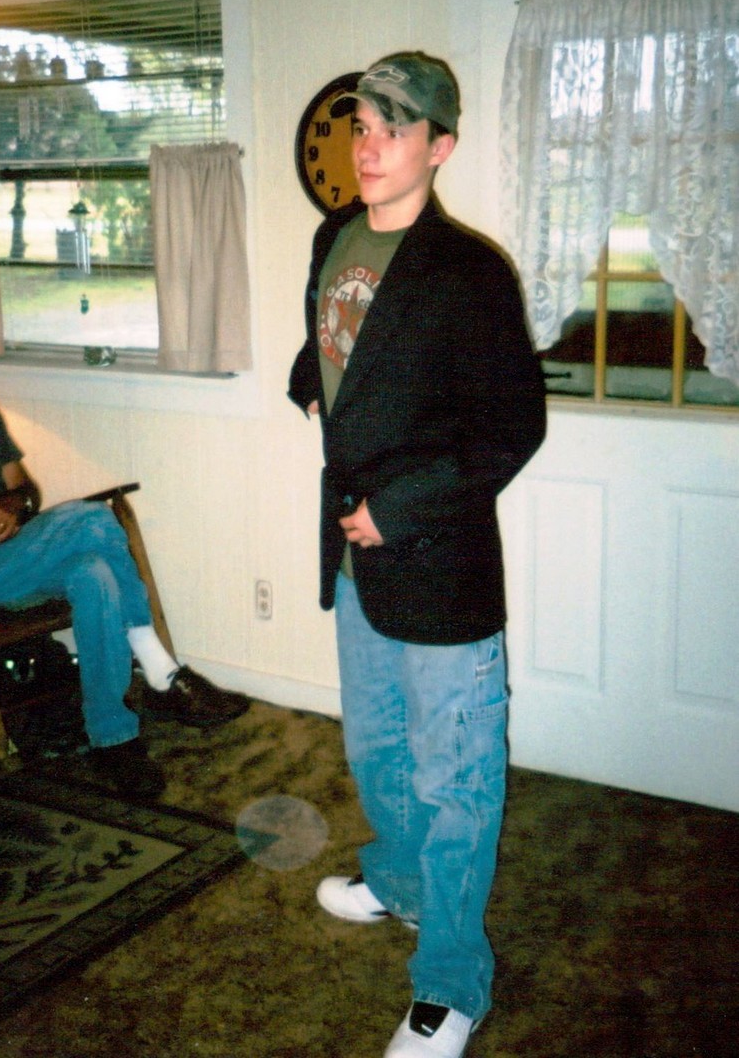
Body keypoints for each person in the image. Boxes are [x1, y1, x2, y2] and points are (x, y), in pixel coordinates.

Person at [288, 52, 547, 1057]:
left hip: (437, 566)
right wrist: (309, 383)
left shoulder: (469, 272)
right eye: (363, 127)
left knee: (455, 779)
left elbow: (510, 427)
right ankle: (399, 885)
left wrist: (398, 507)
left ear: (440, 147)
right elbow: (334, 344)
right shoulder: (335, 235)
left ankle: (452, 983)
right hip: (355, 568)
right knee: (376, 752)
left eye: (394, 131)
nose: (369, 148)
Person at [0, 399, 249, 798]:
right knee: (94, 518)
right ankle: (159, 669)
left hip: (21, 557)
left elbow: (26, 491)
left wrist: (13, 504)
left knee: (94, 573)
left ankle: (111, 736)